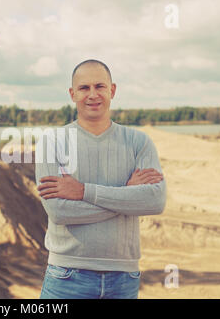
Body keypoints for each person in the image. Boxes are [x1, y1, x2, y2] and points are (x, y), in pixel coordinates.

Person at [35, 59, 167, 299]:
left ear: (112, 90)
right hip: (67, 277)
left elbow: (154, 202)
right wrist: (126, 199)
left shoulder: (139, 142)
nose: (92, 95)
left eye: (100, 86)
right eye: (84, 88)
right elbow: (59, 211)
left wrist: (83, 191)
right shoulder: (51, 142)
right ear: (72, 94)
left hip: (124, 279)